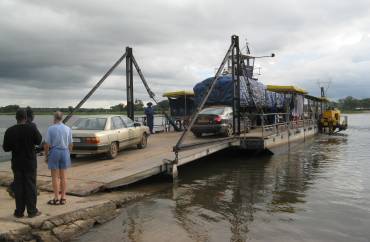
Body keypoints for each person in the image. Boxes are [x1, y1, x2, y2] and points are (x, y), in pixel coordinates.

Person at [2, 109, 42, 218]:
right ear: (26, 118)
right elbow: (39, 141)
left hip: (17, 163)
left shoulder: (10, 131)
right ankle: (32, 211)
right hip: (30, 162)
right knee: (31, 186)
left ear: (16, 118)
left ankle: (19, 212)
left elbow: (6, 148)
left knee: (19, 187)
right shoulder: (32, 128)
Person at [7, 107, 39, 199]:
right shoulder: (32, 126)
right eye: (33, 114)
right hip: (29, 157)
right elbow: (37, 140)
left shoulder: (14, 128)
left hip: (17, 159)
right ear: (28, 116)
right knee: (30, 177)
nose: (34, 116)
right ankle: (31, 193)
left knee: (20, 177)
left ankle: (18, 199)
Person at [43, 111, 73, 205]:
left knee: (55, 177)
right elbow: (71, 144)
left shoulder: (51, 128)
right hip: (64, 151)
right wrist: (69, 153)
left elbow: (47, 144)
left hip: (55, 151)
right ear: (62, 118)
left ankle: (56, 197)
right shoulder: (68, 129)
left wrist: (46, 155)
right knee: (63, 176)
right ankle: (63, 198)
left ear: (54, 118)